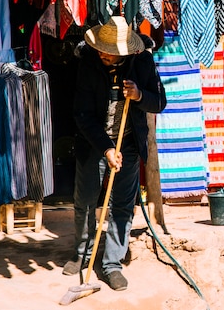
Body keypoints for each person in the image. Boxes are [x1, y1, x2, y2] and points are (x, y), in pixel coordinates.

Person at [63, 16, 166, 291]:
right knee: (85, 200)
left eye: (109, 53)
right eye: (101, 50)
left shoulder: (141, 62)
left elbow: (160, 102)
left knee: (122, 204)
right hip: (94, 142)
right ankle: (83, 254)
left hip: (129, 142)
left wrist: (140, 95)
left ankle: (111, 264)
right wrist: (106, 148)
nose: (102, 55)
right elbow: (82, 114)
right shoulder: (88, 61)